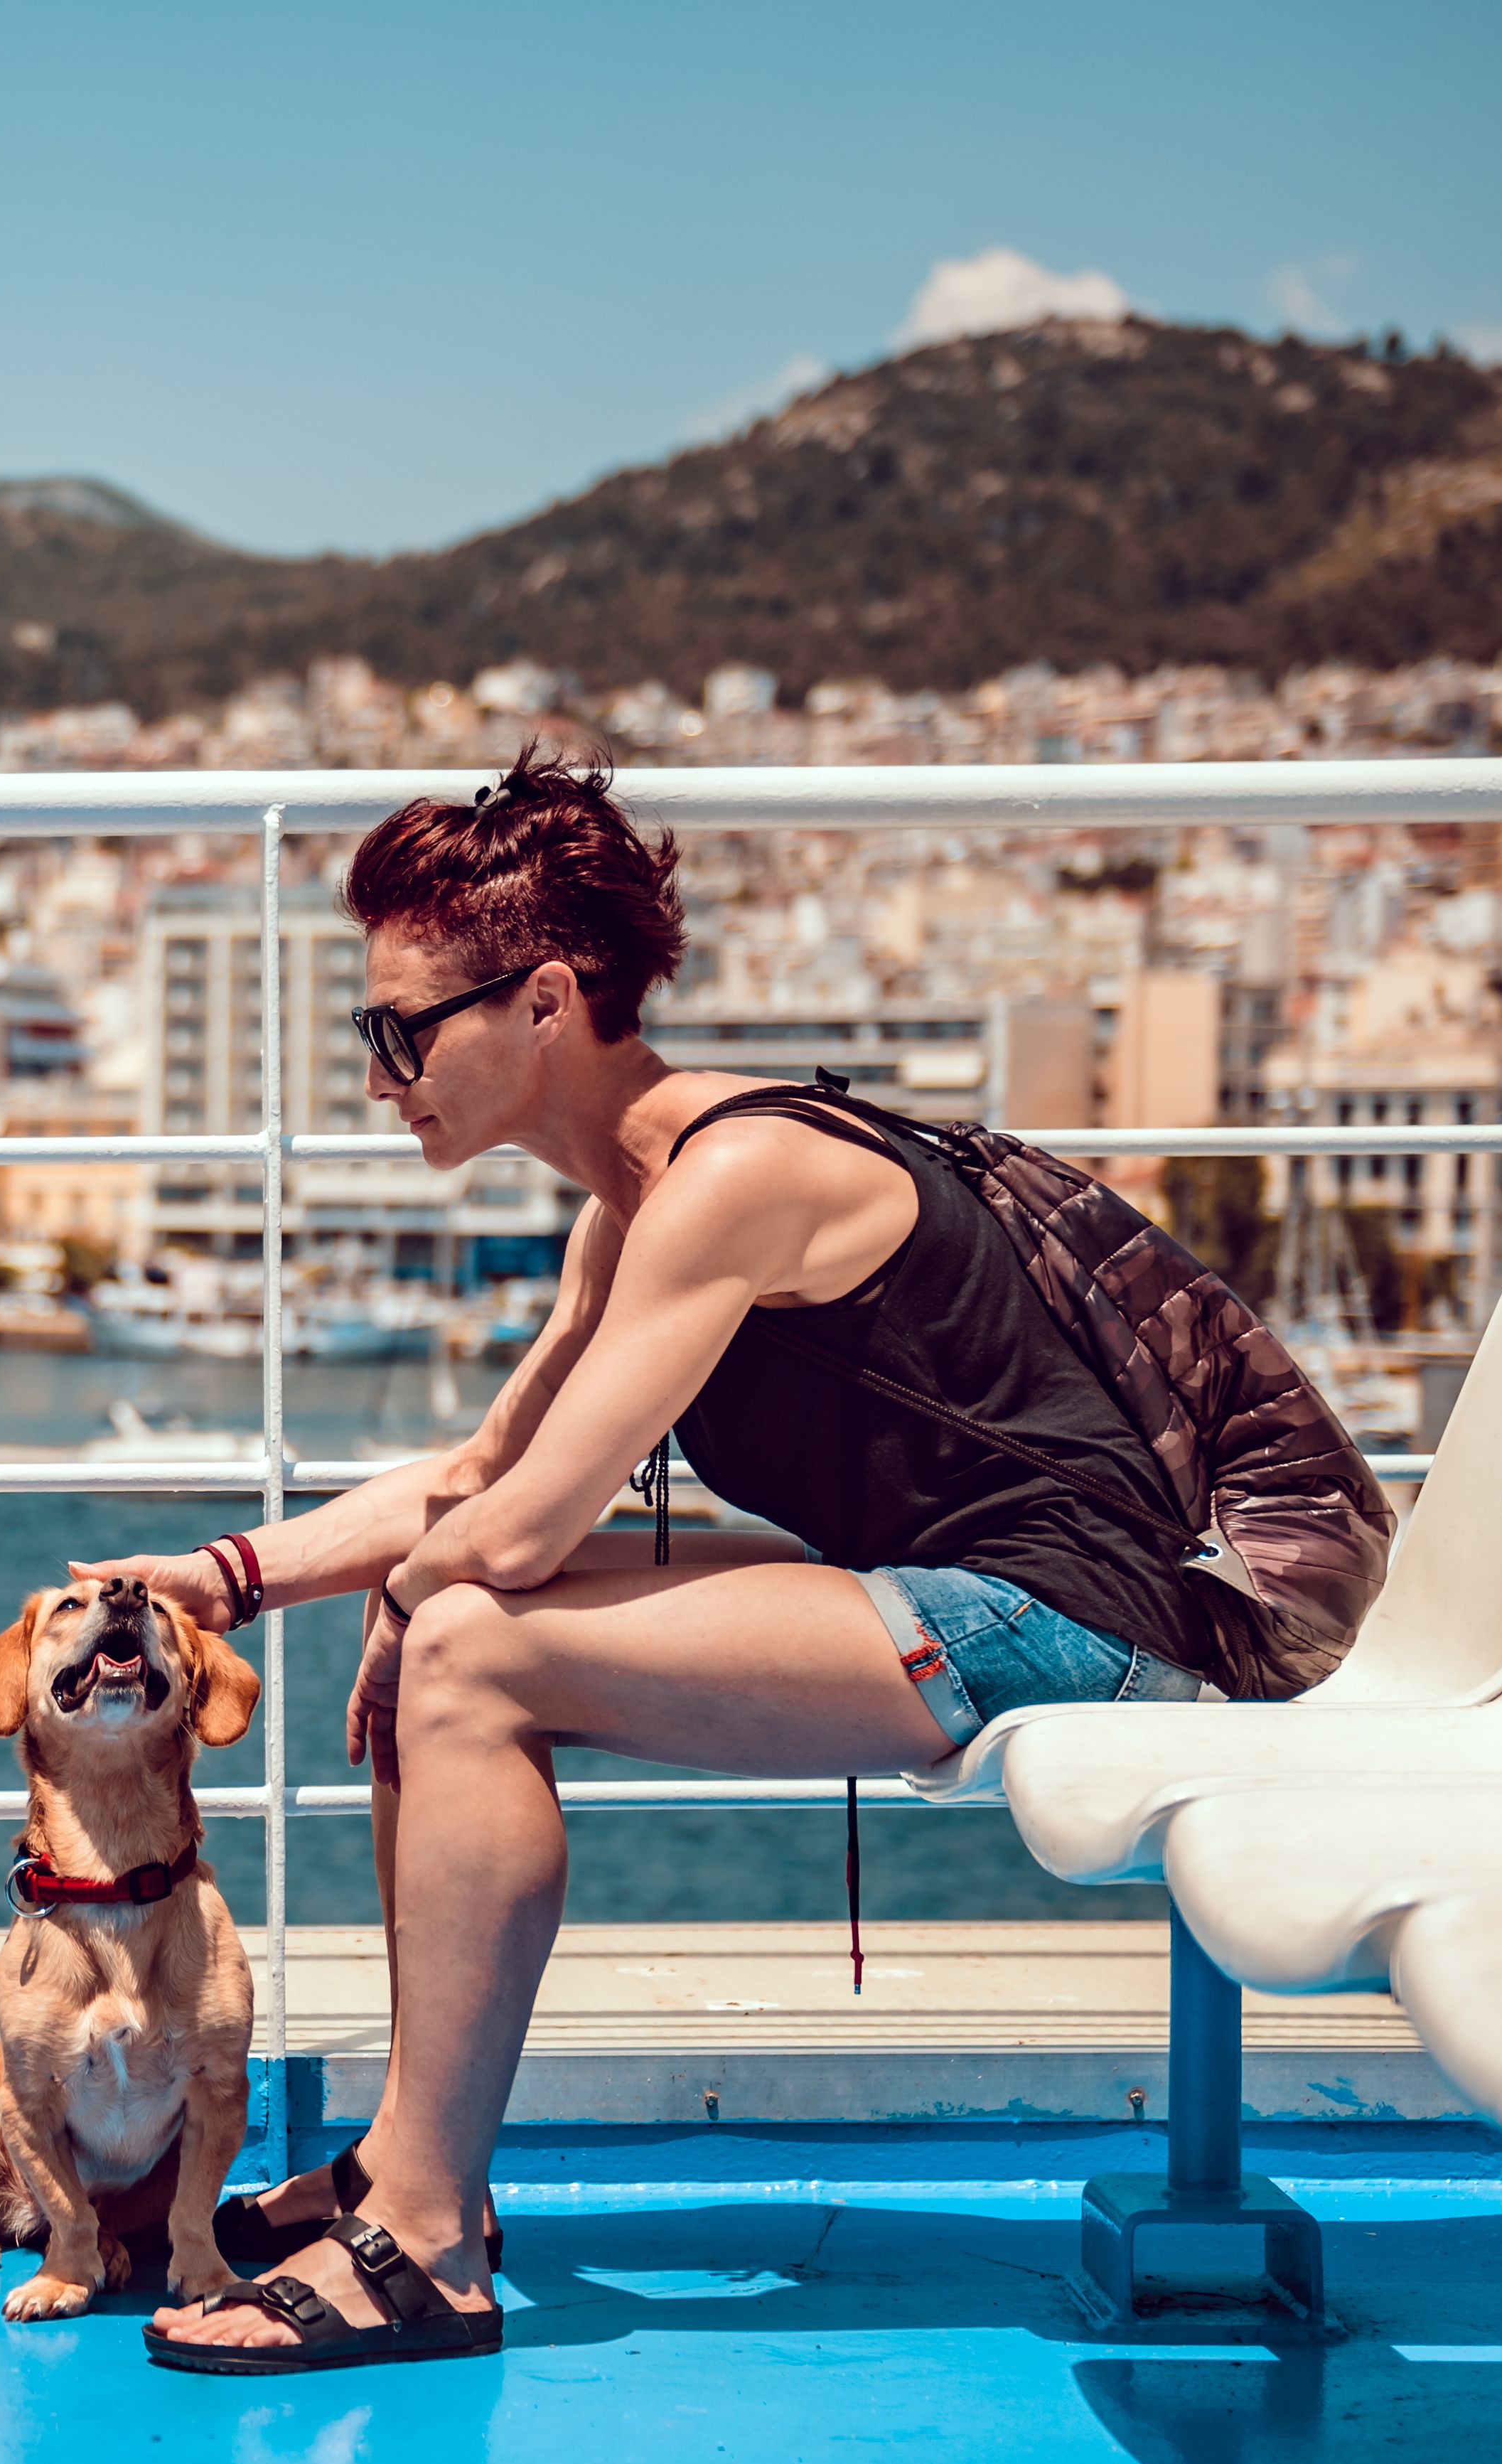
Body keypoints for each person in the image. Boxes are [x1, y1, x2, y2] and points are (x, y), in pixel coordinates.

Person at [87, 751, 1216, 2377]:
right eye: (368, 1032)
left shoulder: (731, 1180)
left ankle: (417, 2228)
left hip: (1070, 1619)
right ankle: (426, 2162)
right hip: (954, 1589)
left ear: (543, 1001)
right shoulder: (632, 1206)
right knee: (458, 1623)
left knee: (467, 1645)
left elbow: (520, 1534)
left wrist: (406, 1611)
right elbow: (484, 1479)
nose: (377, 1068)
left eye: (401, 1028)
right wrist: (233, 1574)